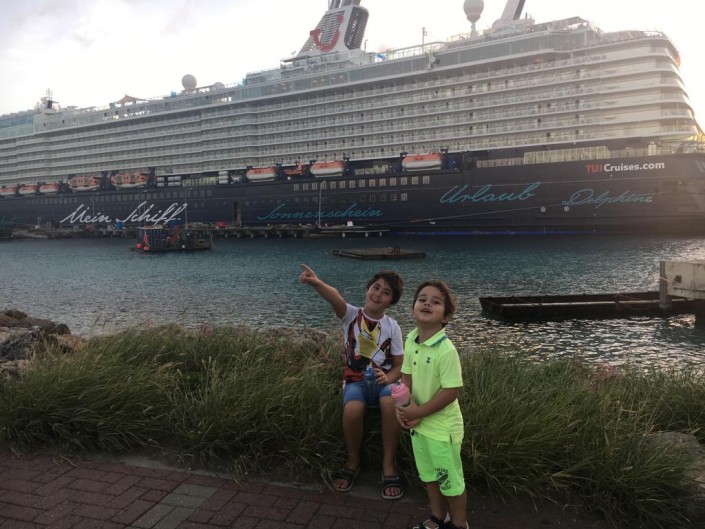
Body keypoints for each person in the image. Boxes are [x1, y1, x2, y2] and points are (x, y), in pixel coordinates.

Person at [298, 263, 405, 500]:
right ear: (367, 289)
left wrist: (388, 377)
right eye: (375, 287)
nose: (378, 294)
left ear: (391, 301)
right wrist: (316, 283)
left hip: (383, 382)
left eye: (386, 292)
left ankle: (389, 463)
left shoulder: (392, 327)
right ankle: (353, 459)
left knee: (390, 403)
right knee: (353, 410)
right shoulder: (351, 315)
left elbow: (399, 365)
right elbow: (335, 297)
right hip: (355, 381)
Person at [396, 280, 467, 529]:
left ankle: (459, 524)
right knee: (429, 476)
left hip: (442, 431)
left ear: (445, 316)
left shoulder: (446, 350)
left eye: (436, 302)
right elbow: (406, 380)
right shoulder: (411, 340)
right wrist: (403, 409)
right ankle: (438, 518)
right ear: (413, 307)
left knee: (450, 481)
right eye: (422, 299)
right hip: (420, 427)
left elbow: (451, 392)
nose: (427, 303)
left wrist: (418, 411)